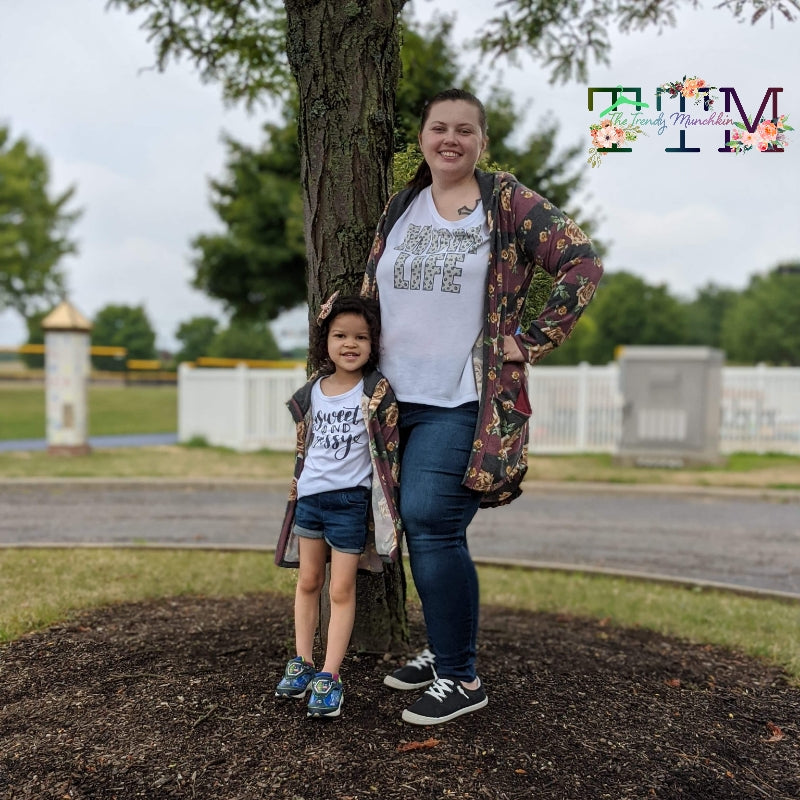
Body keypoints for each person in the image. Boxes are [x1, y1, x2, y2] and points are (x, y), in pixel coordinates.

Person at [361, 88, 603, 725]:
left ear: (481, 142)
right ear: (422, 138)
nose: (450, 139)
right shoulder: (403, 204)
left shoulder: (506, 202)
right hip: (393, 401)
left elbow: (582, 263)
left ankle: (462, 678)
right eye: (439, 128)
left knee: (430, 520)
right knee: (420, 529)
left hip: (462, 399)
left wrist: (532, 339)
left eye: (464, 130)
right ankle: (445, 652)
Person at [273, 294, 402, 718]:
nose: (350, 344)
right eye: (340, 336)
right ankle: (302, 662)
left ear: (373, 343)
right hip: (310, 499)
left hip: (350, 503)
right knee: (309, 580)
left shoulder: (375, 391)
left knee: (341, 590)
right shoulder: (314, 391)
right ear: (324, 342)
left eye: (361, 337)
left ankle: (330, 676)